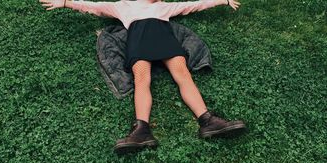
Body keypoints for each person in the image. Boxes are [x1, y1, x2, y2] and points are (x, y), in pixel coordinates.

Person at [39, 0, 245, 154]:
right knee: (141, 79)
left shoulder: (163, 7)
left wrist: (222, 0)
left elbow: (192, 5)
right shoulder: (123, 6)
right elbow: (94, 7)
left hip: (165, 39)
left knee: (183, 74)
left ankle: (208, 120)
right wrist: (66, 2)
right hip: (138, 41)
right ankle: (142, 131)